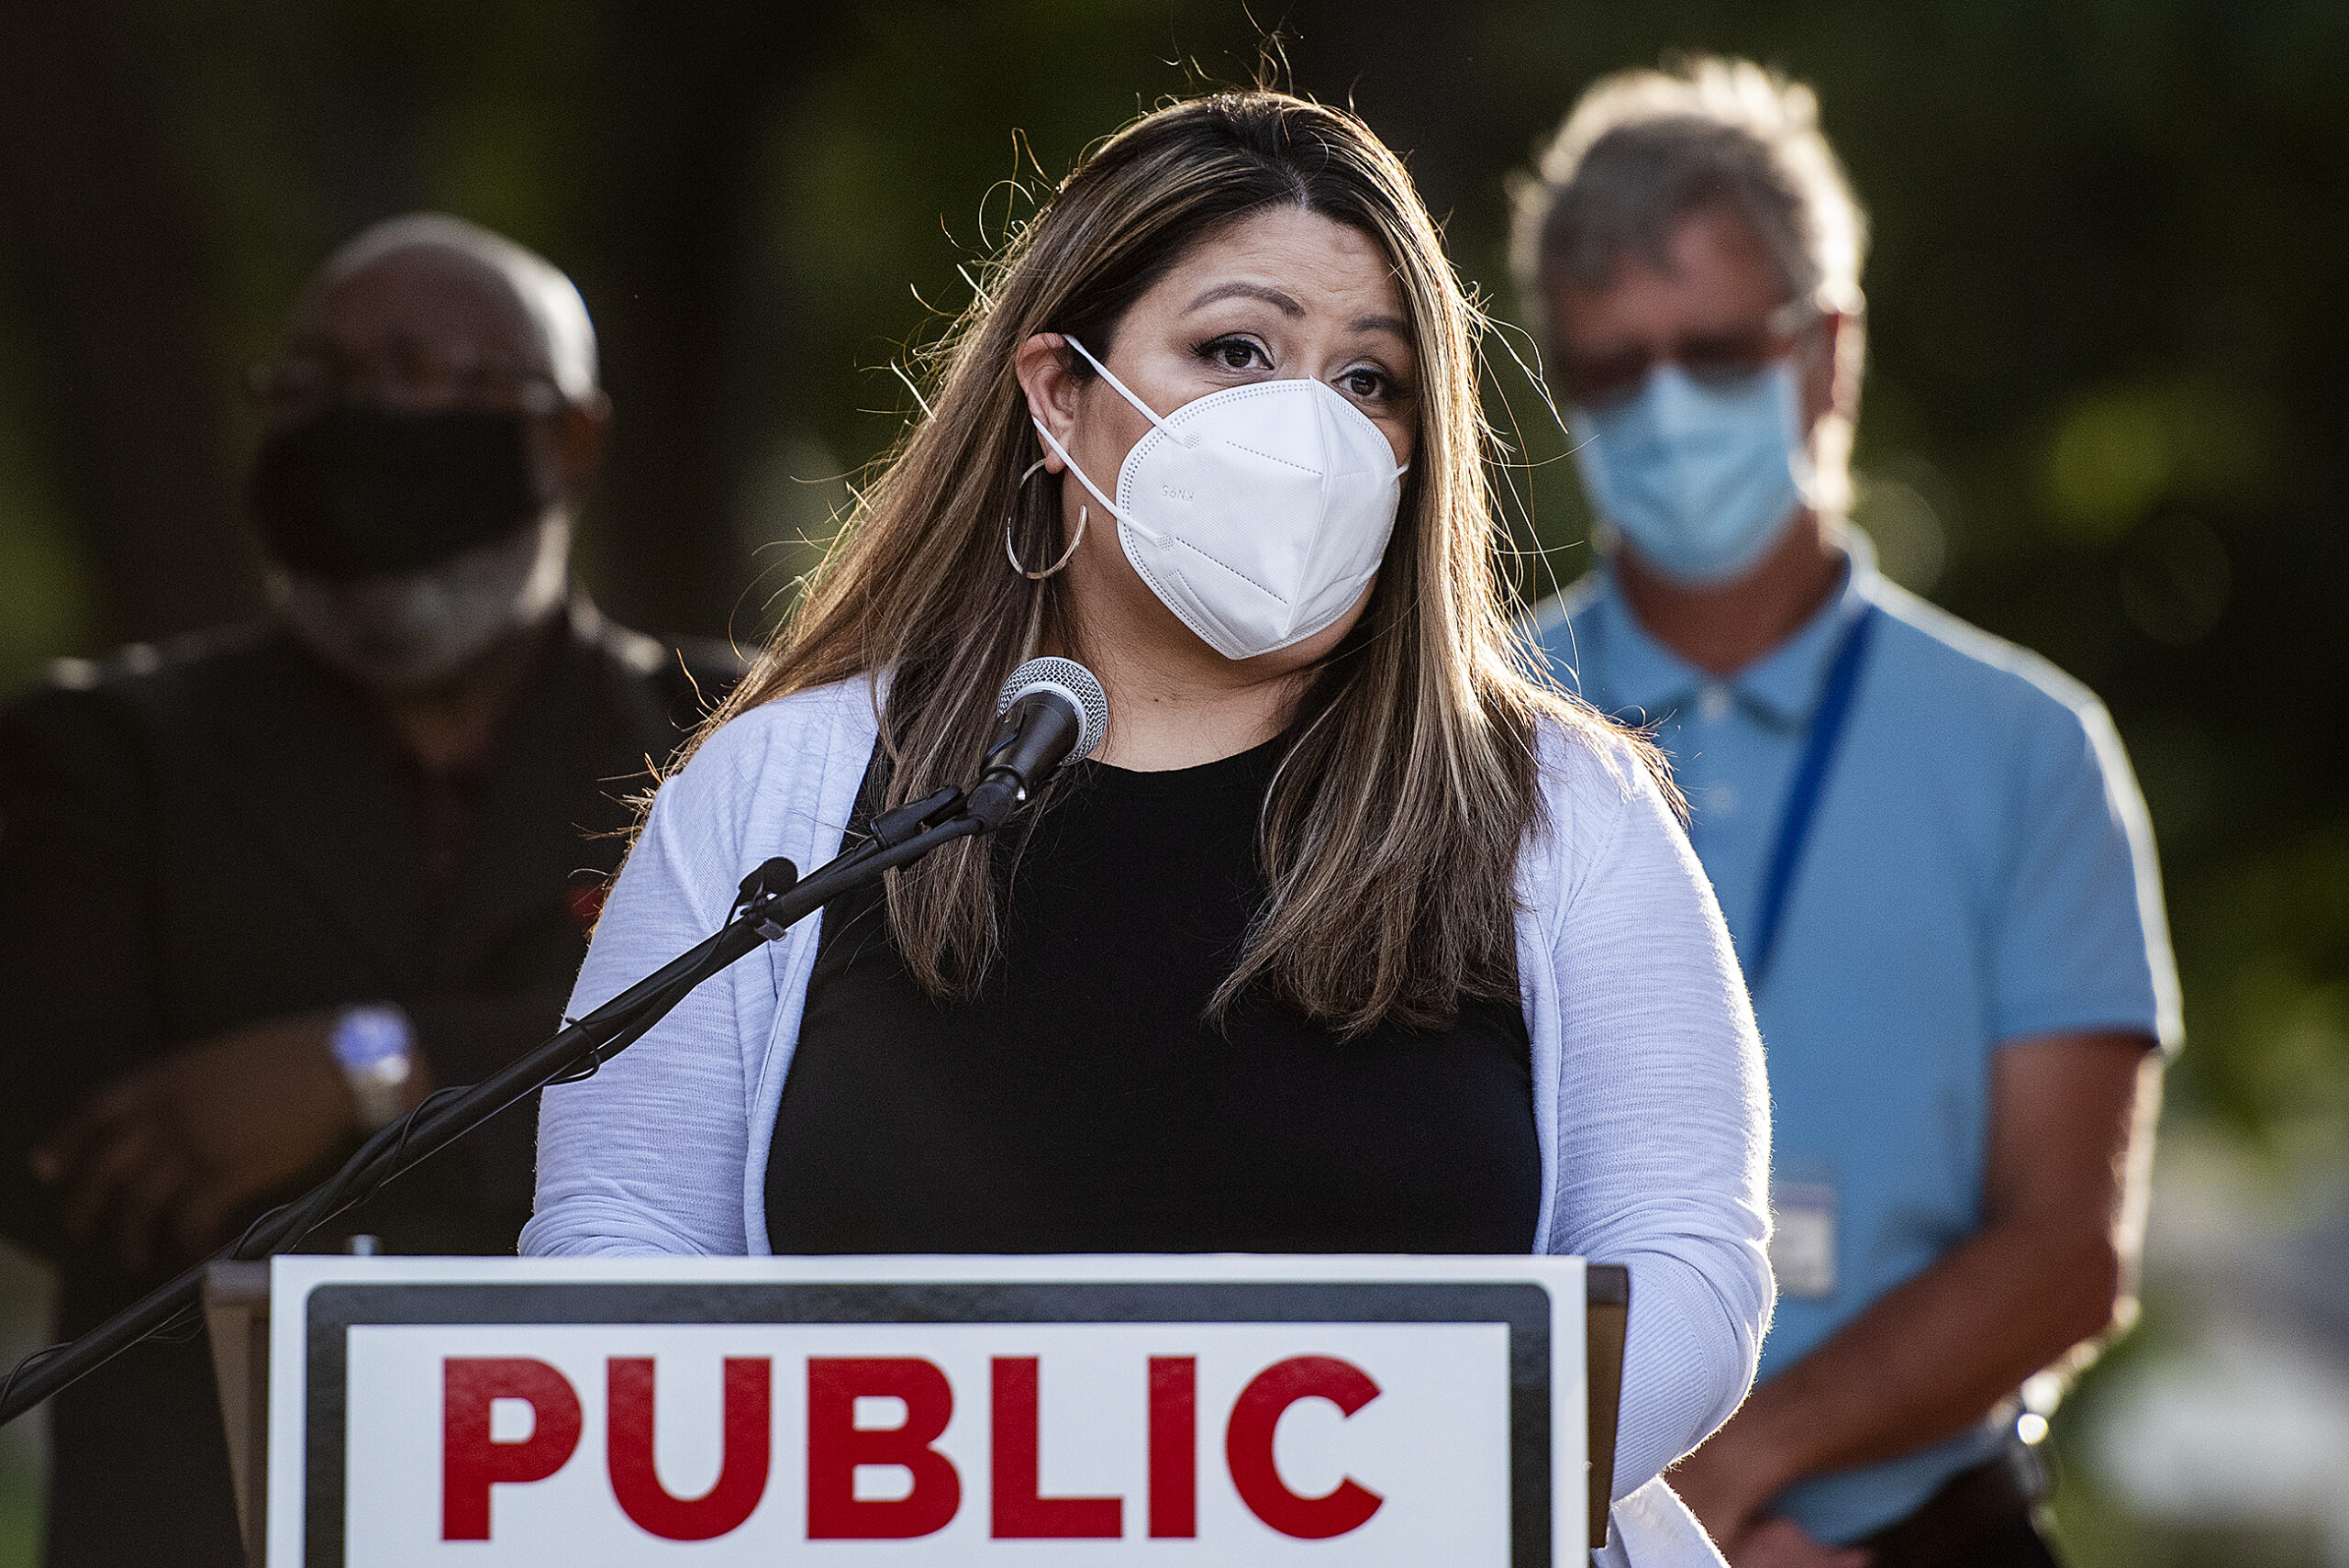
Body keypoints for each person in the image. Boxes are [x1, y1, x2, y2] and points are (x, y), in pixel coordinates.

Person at [526, 90, 1772, 1562]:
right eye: (1234, 349)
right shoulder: (779, 789)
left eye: (1369, 379)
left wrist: (1352, 1510)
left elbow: (1688, 1271)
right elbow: (617, 1237)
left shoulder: (1557, 809)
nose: (1308, 423)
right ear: (1059, 393)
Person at [1512, 59, 2179, 1568]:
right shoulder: (1461, 727)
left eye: (1713, 349)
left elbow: (2071, 1251)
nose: (1666, 407)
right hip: (1529, 1526)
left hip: (1917, 1532)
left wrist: (1742, 1471)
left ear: (1828, 355)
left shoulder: (2029, 751)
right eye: (1613, 369)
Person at [0, 215, 737, 1568]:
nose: (353, 422)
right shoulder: (92, 756)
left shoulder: (742, 745)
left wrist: (373, 1067)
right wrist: (558, 1069)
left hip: (627, 1495)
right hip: (202, 1515)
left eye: (414, 373)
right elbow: (75, 1155)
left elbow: (796, 1094)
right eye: (310, 386)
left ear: (566, 441)